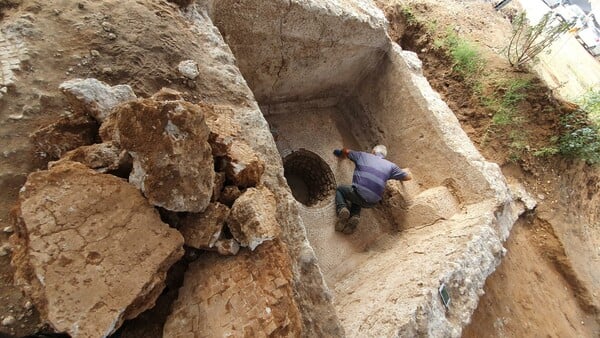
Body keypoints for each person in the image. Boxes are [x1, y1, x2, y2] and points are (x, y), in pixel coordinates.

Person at [333, 145, 412, 234]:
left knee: (341, 190)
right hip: (372, 203)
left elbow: (346, 151)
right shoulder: (391, 166)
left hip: (358, 194)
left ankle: (342, 209)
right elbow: (407, 177)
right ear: (384, 155)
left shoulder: (363, 156)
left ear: (373, 151)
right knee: (357, 197)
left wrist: (339, 153)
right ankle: (354, 216)